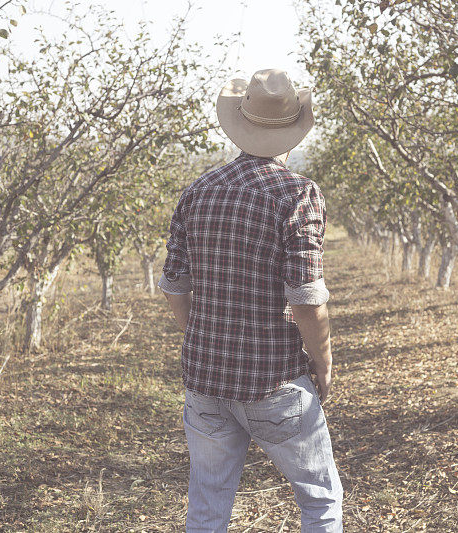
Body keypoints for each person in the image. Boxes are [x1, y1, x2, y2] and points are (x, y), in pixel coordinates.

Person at [158, 68, 343, 532]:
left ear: (239, 124)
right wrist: (323, 363)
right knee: (320, 499)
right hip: (273, 380)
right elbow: (305, 299)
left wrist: (202, 338)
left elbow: (175, 284)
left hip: (205, 379)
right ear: (294, 131)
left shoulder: (198, 191)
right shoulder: (297, 194)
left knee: (207, 502)